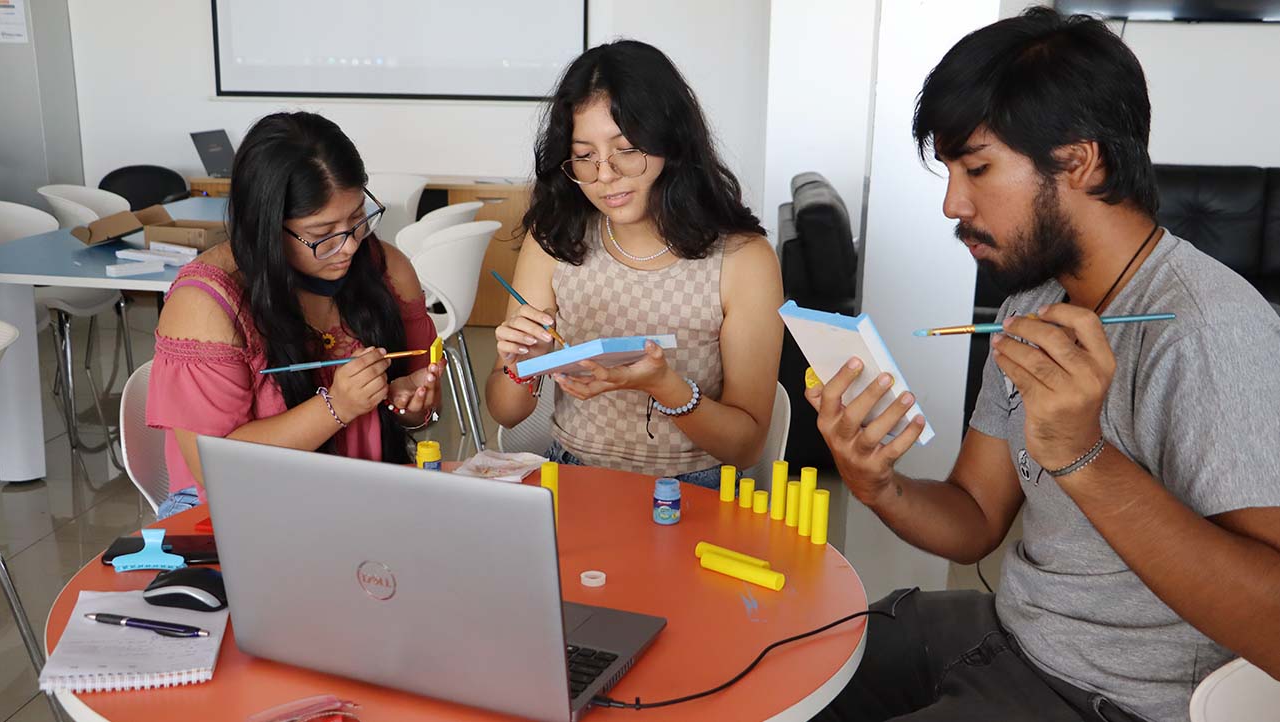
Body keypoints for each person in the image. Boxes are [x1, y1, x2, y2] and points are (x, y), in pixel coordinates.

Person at [811, 8, 1280, 722]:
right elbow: (974, 518)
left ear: (1079, 161)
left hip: (1106, 698)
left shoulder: (1209, 329)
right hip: (1006, 635)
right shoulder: (1031, 306)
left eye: (976, 168)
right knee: (781, 662)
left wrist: (1080, 455)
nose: (951, 203)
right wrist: (877, 485)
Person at [485, 40, 784, 488]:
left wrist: (664, 385)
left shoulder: (743, 260)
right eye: (584, 156)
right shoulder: (555, 240)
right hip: (574, 476)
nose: (605, 174)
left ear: (672, 141)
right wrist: (521, 364)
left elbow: (744, 447)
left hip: (694, 488)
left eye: (626, 149)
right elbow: (506, 410)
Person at [147, 111, 444, 518]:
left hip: (360, 497)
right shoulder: (206, 305)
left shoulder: (386, 270)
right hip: (236, 512)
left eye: (358, 219)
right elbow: (214, 466)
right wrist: (336, 406)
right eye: (323, 235)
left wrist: (412, 405)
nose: (350, 246)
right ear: (265, 226)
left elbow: (422, 406)